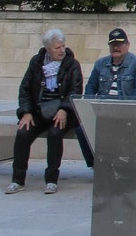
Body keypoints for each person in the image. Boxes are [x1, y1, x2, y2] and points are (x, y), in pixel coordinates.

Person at [6, 28, 83, 194]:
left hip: (63, 113)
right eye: (57, 47)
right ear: (48, 49)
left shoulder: (72, 64)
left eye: (63, 46)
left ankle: (51, 180)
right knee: (23, 132)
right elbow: (25, 89)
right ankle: (17, 179)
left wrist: (64, 109)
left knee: (55, 134)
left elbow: (75, 91)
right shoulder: (37, 62)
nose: (62, 50)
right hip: (39, 111)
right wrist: (26, 112)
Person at [84, 27, 136, 99]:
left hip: (127, 105)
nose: (115, 48)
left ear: (127, 45)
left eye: (119, 44)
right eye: (113, 45)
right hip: (102, 105)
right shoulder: (100, 64)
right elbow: (90, 88)